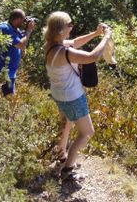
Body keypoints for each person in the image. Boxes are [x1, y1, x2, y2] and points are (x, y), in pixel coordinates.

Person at [44, 11, 112, 181]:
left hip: (59, 94)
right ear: (61, 29)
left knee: (66, 125)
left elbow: (74, 42)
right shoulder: (65, 53)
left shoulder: (50, 46)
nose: (72, 27)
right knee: (87, 133)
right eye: (69, 24)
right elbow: (92, 57)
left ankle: (61, 157)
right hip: (73, 97)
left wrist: (96, 34)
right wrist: (106, 37)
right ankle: (68, 169)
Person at [0, 9, 36, 96]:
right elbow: (21, 45)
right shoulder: (5, 28)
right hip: (0, 68)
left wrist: (27, 31)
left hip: (10, 71)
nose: (24, 22)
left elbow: (23, 42)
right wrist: (28, 31)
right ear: (17, 19)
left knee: (9, 97)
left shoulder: (15, 29)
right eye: (23, 20)